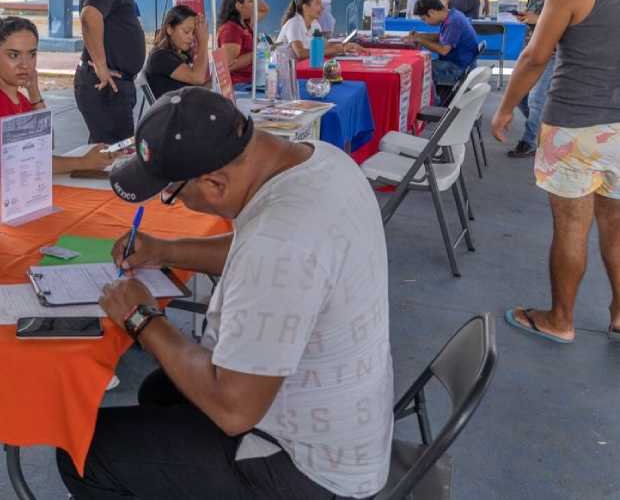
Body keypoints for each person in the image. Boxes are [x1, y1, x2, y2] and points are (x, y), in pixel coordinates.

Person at [57, 86, 393, 498]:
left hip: (307, 470)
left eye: (172, 194)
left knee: (83, 456)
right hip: (342, 428)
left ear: (214, 183)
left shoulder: (279, 242)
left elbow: (234, 410)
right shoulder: (321, 161)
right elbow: (251, 252)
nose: (172, 202)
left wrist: (142, 318)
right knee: (160, 391)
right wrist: (165, 249)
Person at [491, 0, 620, 344]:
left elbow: (535, 56)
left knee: (571, 227)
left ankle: (560, 319)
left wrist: (506, 106)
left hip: (576, 125)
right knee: (617, 227)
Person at [0, 16, 114, 182]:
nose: (25, 64)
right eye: (13, 55)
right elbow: (20, 162)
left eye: (31, 54)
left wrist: (34, 93)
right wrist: (83, 162)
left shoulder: (20, 99)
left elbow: (45, 145)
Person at [75, 0, 153, 144]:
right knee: (113, 155)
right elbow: (90, 16)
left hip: (115, 84)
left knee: (112, 152)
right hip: (106, 84)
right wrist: (100, 66)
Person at [508, 0, 560, 158]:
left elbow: (565, 23)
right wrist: (527, 17)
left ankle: (529, 142)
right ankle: (543, 132)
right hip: (531, 50)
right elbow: (536, 16)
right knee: (519, 95)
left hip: (551, 54)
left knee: (536, 100)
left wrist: (537, 19)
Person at [407, 0, 480, 86]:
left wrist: (420, 40)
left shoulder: (453, 22)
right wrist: (419, 35)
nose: (425, 22)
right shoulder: (452, 15)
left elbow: (443, 50)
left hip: (459, 69)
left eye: (424, 19)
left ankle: (435, 100)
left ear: (431, 12)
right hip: (459, 63)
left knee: (418, 70)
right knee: (421, 65)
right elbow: (442, 37)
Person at [143, 5, 210, 98]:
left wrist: (216, 80)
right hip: (173, 111)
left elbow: (196, 87)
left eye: (194, 33)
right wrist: (203, 41)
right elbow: (197, 78)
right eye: (186, 31)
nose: (191, 37)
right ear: (169, 29)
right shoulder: (160, 57)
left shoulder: (180, 55)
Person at [216, 0, 269, 92]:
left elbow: (264, 9)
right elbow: (227, 66)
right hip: (238, 86)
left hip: (251, 81)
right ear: (239, 6)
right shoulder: (230, 30)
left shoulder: (246, 23)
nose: (254, 5)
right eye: (250, 2)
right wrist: (257, 53)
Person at [278, 0, 363, 60]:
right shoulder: (294, 23)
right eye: (318, 4)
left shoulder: (315, 24)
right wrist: (335, 49)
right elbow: (300, 53)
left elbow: (326, 45)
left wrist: (347, 45)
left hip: (304, 68)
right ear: (305, 7)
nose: (322, 8)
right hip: (283, 72)